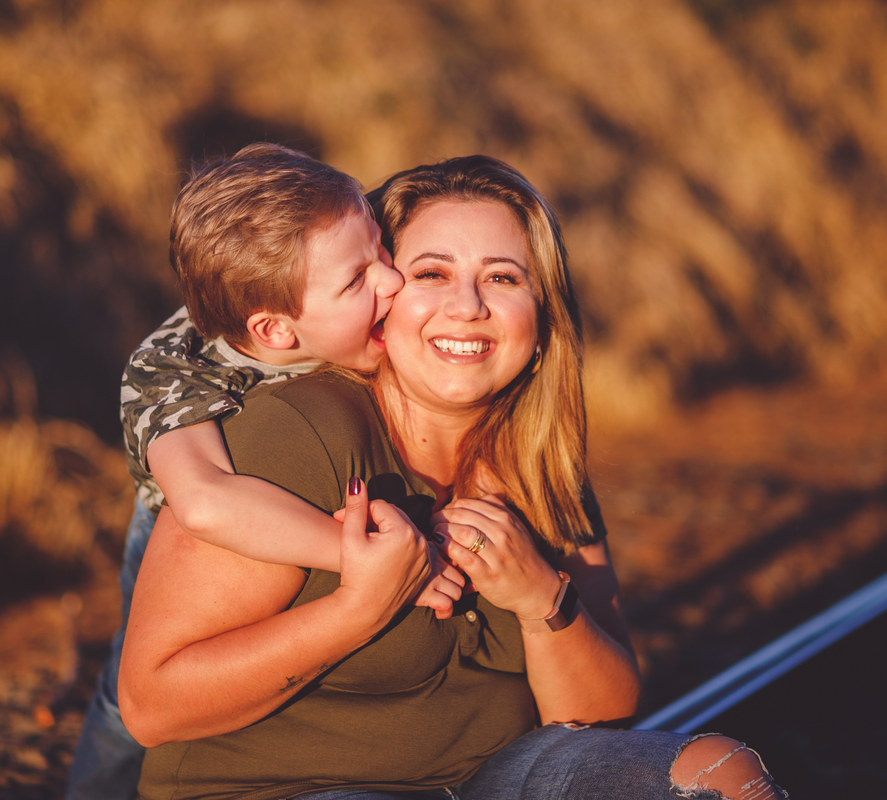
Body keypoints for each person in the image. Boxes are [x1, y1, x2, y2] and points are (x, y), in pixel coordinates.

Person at [118, 156, 787, 800]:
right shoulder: (299, 433)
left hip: (488, 778)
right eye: (431, 273)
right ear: (381, 293)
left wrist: (541, 599)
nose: (468, 306)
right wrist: (359, 608)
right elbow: (151, 705)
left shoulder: (541, 465)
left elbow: (601, 712)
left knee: (723, 773)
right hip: (289, 789)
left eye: (502, 278)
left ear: (541, 311)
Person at [68, 143, 462, 800]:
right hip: (192, 555)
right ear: (276, 332)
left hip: (293, 509)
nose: (391, 282)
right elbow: (205, 504)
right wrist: (374, 561)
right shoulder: (172, 367)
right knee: (124, 714)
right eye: (357, 278)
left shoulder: (331, 309)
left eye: (380, 250)